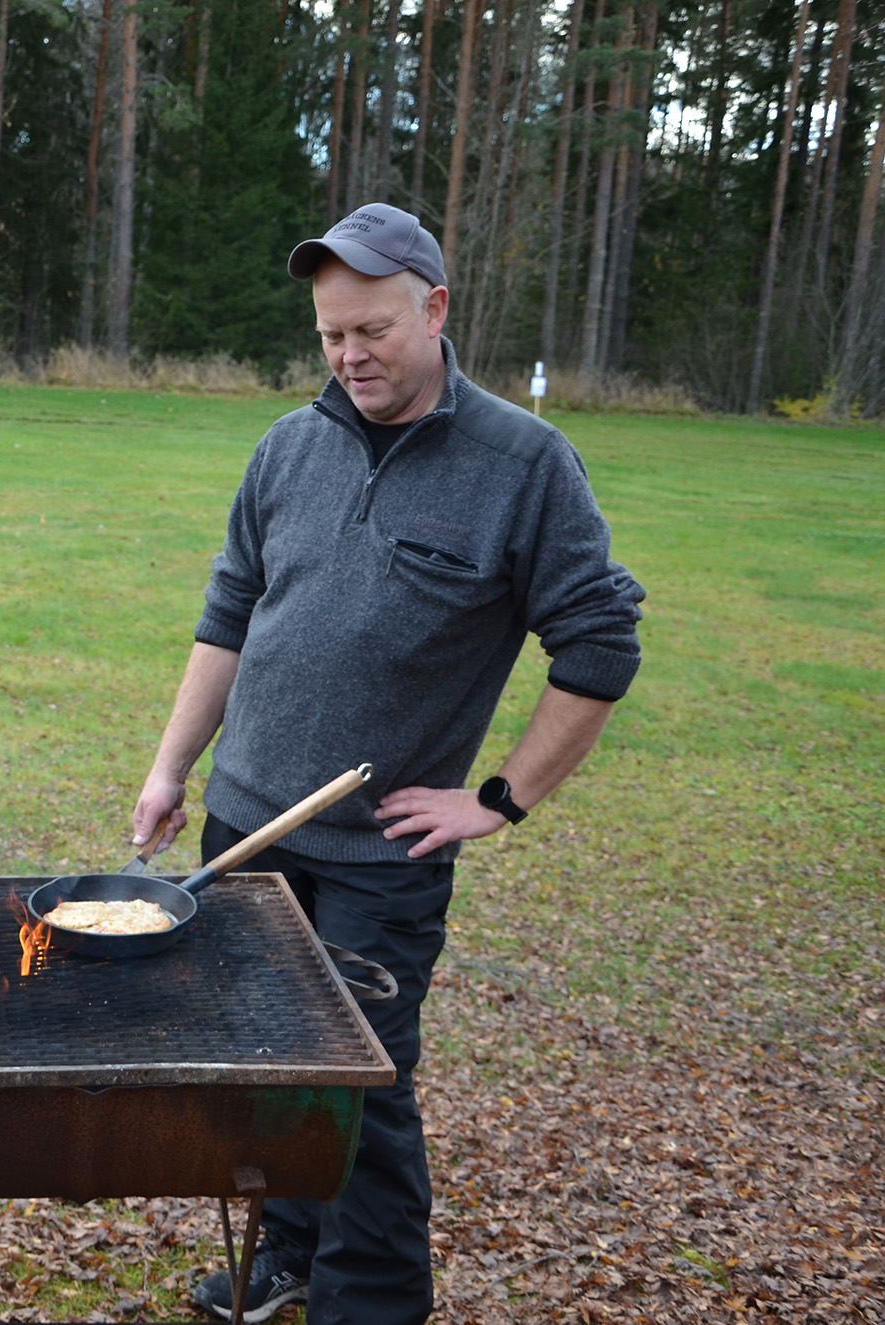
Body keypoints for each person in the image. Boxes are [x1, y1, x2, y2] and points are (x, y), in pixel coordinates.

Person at [130, 203, 645, 1324]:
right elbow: (229, 613)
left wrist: (498, 799)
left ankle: (371, 1303)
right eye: (330, 336)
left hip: (378, 858)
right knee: (269, 1061)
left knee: (362, 1088)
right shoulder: (288, 445)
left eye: (371, 331)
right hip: (245, 832)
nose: (350, 356)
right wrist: (172, 767)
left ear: (435, 309)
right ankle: (288, 1251)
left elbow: (600, 645)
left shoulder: (523, 464)